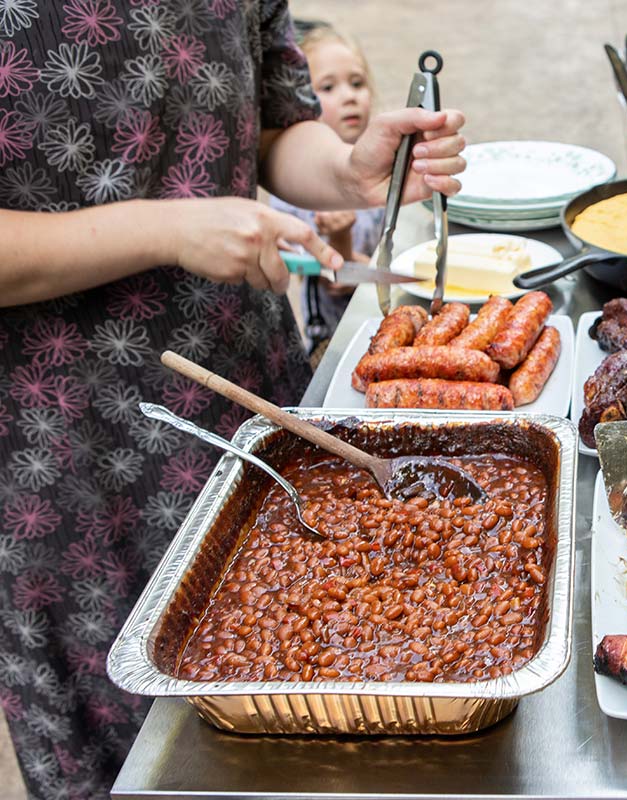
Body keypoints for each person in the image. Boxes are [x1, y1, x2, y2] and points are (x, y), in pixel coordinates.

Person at [0, 3, 466, 798]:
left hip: (254, 396)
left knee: (320, 709)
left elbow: (274, 125)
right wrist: (166, 230)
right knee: (146, 758)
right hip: (67, 464)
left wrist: (350, 168)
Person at [270, 23, 385, 357]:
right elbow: (329, 278)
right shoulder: (292, 182)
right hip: (334, 343)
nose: (349, 96)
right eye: (328, 87)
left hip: (380, 322)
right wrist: (341, 241)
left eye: (357, 83)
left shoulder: (379, 167)